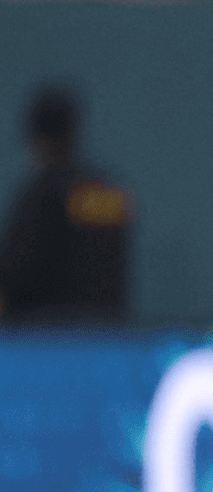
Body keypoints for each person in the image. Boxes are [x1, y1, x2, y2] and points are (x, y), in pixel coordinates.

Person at [0, 83, 131, 323]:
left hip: (47, 335)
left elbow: (16, 274)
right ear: (73, 131)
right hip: (108, 332)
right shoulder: (107, 192)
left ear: (35, 138)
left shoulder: (41, 196)